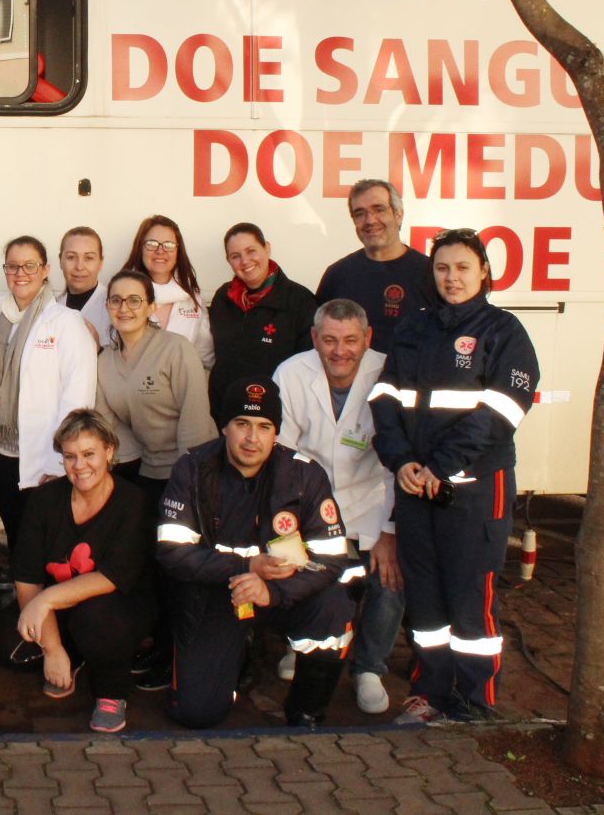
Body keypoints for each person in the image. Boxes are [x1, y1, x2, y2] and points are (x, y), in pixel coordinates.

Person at [369, 228, 539, 725]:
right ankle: (429, 692)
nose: (452, 277)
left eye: (463, 267)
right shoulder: (414, 328)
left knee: (470, 597)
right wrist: (401, 461)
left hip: (473, 490)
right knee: (424, 599)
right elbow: (384, 399)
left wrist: (439, 467)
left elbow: (503, 411)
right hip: (415, 487)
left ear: (484, 271)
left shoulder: (504, 331)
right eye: (442, 268)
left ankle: (473, 701)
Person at [157, 378, 356, 729]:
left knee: (334, 604)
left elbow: (332, 558)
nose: (252, 438)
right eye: (242, 424)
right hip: (217, 595)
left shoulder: (305, 475)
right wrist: (247, 565)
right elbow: (172, 553)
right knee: (196, 713)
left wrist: (272, 591)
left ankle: (306, 710)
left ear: (276, 431)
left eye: (264, 427)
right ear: (224, 426)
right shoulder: (193, 468)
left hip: (281, 595)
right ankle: (237, 657)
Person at [274, 299, 400, 714]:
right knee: (296, 564)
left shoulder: (388, 373)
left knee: (388, 576)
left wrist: (388, 532)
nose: (339, 351)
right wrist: (290, 528)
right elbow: (282, 456)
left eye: (350, 340)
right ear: (314, 338)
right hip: (308, 502)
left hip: (371, 500)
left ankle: (369, 668)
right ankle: (303, 646)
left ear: (367, 338)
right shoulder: (291, 373)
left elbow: (396, 461)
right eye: (329, 340)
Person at [93, 268, 216, 691]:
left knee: (181, 567)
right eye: (116, 300)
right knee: (151, 566)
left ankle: (182, 656)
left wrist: (186, 488)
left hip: (191, 473)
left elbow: (195, 420)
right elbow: (110, 429)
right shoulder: (105, 362)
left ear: (149, 307)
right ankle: (159, 644)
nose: (124, 308)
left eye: (134, 300)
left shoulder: (175, 349)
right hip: (146, 471)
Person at [13, 409, 154, 734]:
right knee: (10, 643)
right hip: (62, 608)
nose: (80, 465)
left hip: (116, 607)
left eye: (89, 454)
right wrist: (52, 649)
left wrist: (44, 601)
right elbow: (27, 578)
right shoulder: (44, 500)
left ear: (109, 451)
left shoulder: (132, 502)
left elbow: (110, 577)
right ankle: (70, 653)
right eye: (70, 456)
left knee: (95, 620)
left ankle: (111, 690)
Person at [0, 236, 98, 556]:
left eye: (30, 265)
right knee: (16, 537)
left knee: (47, 545)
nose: (21, 273)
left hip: (45, 454)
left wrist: (60, 460)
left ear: (45, 270)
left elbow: (78, 397)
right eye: (13, 266)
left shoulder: (66, 322)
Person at [207, 223, 317, 422]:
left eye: (251, 251)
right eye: (235, 256)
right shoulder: (223, 297)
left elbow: (307, 369)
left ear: (267, 248)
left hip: (275, 419)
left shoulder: (300, 301)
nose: (245, 261)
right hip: (225, 416)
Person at [315, 179, 435, 353]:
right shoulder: (337, 274)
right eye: (360, 213)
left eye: (379, 209)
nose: (370, 220)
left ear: (398, 214)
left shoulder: (429, 273)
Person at [121, 215, 215, 369]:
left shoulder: (192, 298)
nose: (160, 251)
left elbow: (205, 357)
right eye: (151, 244)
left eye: (169, 245)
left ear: (178, 252)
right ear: (140, 248)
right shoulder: (121, 294)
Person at [57, 226, 110, 347]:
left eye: (89, 258)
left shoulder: (115, 306)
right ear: (60, 261)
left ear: (101, 262)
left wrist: (100, 350)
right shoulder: (52, 306)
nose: (79, 267)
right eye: (71, 257)